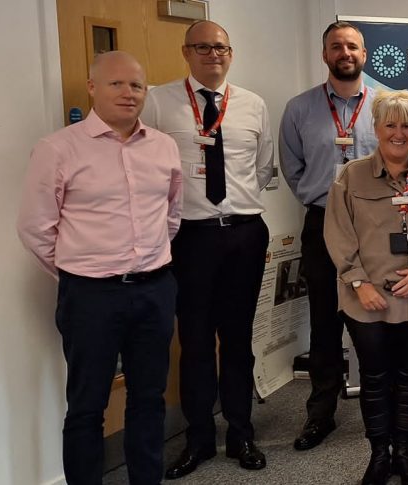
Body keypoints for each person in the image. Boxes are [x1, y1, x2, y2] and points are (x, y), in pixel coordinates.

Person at [17, 51, 183, 485]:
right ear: (92, 87)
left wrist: (145, 261)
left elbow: (171, 215)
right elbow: (36, 228)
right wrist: (81, 270)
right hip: (90, 296)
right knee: (87, 405)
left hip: (154, 290)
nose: (129, 94)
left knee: (148, 398)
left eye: (137, 85)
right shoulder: (58, 148)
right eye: (117, 84)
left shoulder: (164, 146)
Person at [141, 21, 273, 479]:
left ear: (230, 53)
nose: (212, 54)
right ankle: (199, 439)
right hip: (189, 237)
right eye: (203, 47)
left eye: (220, 47)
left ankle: (240, 432)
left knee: (237, 338)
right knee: (195, 341)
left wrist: (234, 206)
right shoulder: (158, 101)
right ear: (186, 52)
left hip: (243, 233)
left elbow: (261, 168)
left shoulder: (253, 104)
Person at [325, 90, 408, 485]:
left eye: (406, 124)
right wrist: (357, 282)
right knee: (375, 376)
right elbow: (337, 232)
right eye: (390, 124)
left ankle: (403, 451)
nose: (399, 133)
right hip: (367, 298)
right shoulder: (351, 176)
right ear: (377, 128)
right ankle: (378, 454)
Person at [280, 20, 378, 451]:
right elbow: (292, 167)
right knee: (324, 323)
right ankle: (321, 414)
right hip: (321, 225)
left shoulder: (383, 106)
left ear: (364, 53)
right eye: (336, 46)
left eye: (352, 46)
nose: (345, 53)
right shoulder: (299, 108)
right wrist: (319, 196)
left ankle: (385, 414)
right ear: (325, 55)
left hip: (374, 226)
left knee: (378, 319)